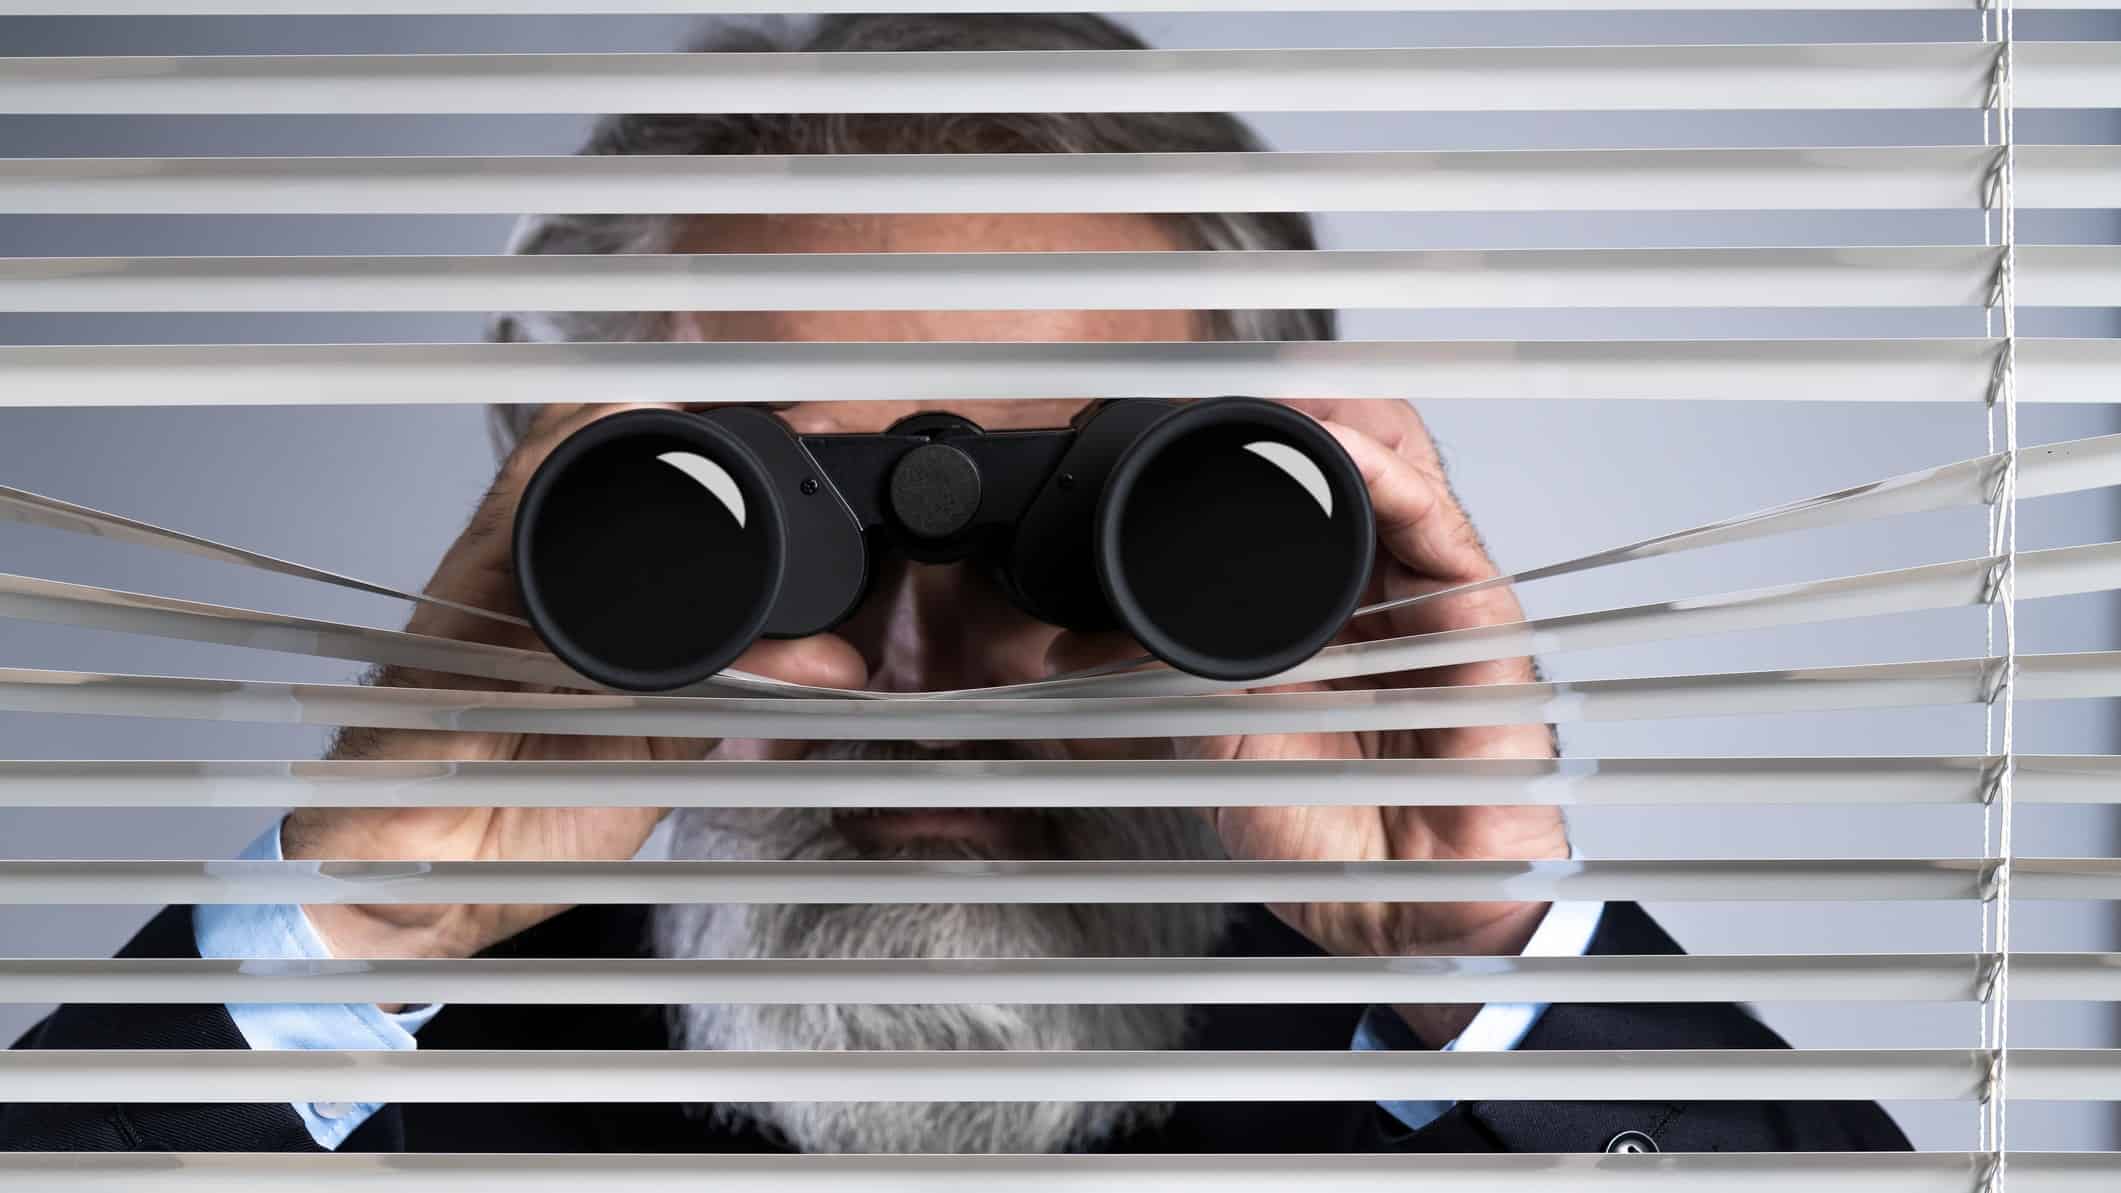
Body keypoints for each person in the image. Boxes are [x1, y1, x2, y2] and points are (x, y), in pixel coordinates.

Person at [3, 13, 1906, 1157]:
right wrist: (349, 948)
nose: (929, 679)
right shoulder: (359, 1098)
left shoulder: (1463, 1085)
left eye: (1070, 524)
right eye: (769, 531)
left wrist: (1490, 969)